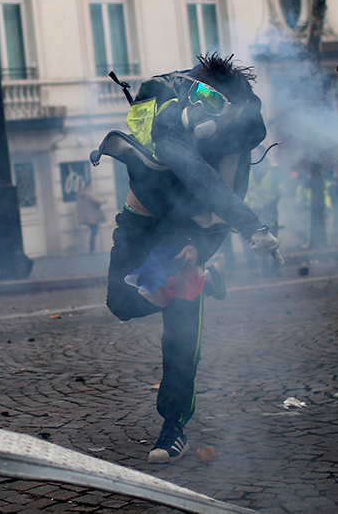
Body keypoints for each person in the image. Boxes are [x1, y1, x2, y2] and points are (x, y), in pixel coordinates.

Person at [91, 53, 284, 463]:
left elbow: (226, 183)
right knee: (120, 303)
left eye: (217, 104)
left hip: (191, 231)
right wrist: (251, 226)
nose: (204, 107)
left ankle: (173, 426)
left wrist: (226, 235)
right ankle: (209, 279)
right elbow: (194, 172)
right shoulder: (167, 114)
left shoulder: (241, 123)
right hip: (141, 222)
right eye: (201, 98)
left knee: (180, 337)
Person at [75, 179, 106, 253]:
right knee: (94, 232)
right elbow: (97, 201)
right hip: (93, 217)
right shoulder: (90, 193)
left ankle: (91, 247)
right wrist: (104, 200)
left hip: (85, 217)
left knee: (91, 231)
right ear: (90, 185)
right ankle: (92, 247)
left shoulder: (80, 194)